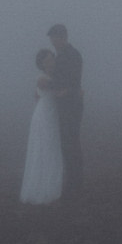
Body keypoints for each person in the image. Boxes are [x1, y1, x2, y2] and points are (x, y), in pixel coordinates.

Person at [19, 49, 64, 205]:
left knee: (52, 147)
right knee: (44, 147)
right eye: (47, 60)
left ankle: (52, 186)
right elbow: (56, 91)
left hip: (50, 113)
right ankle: (44, 189)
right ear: (42, 64)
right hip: (44, 115)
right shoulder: (42, 78)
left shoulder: (52, 77)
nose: (50, 62)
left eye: (51, 59)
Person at [45, 24, 84, 199]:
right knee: (66, 142)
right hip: (63, 104)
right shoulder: (59, 56)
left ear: (64, 37)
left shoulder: (73, 55)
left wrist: (66, 90)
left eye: (55, 38)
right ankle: (72, 179)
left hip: (72, 104)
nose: (53, 41)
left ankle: (76, 181)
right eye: (52, 38)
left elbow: (74, 79)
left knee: (71, 142)